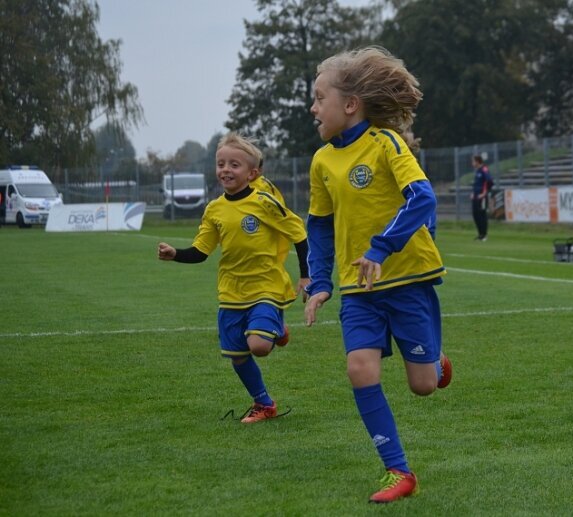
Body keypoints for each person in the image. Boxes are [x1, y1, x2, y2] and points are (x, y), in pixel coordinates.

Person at [304, 46, 452, 504]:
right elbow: (320, 226)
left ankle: (437, 360)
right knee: (359, 369)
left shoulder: (387, 144)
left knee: (423, 386)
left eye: (319, 97)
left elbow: (422, 199)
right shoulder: (321, 161)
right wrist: (321, 282)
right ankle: (398, 472)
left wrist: (381, 247)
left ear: (350, 104)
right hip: (358, 289)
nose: (313, 108)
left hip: (407, 280)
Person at [158, 132, 309, 423]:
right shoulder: (214, 210)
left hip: (266, 286)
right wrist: (175, 253)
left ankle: (274, 325)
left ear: (252, 173)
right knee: (237, 355)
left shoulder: (264, 202)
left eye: (234, 165)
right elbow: (201, 251)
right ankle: (264, 404)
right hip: (231, 292)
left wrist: (306, 275)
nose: (226, 169)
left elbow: (299, 233)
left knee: (259, 347)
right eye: (221, 163)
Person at [470, 154, 493, 241]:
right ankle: (480, 234)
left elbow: (489, 181)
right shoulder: (477, 171)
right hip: (476, 196)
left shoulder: (484, 169)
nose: (472, 163)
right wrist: (473, 193)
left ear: (477, 161)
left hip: (482, 197)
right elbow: (477, 184)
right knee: (475, 214)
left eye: (473, 161)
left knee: (482, 214)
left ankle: (484, 235)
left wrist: (484, 193)